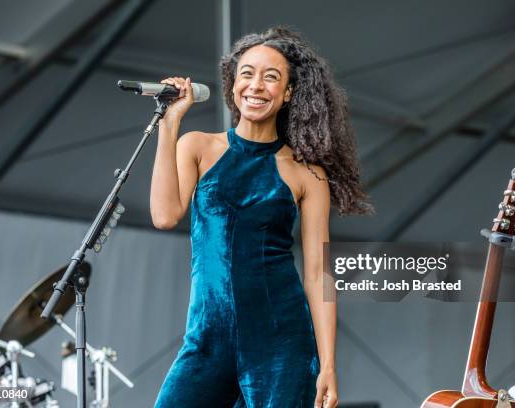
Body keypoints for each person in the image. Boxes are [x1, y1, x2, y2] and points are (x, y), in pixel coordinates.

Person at [151, 27, 370, 408]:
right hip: (207, 339)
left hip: (281, 344)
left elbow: (319, 271)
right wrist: (169, 124)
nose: (256, 85)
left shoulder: (306, 173)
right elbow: (165, 215)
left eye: (271, 77)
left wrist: (329, 365)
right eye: (247, 73)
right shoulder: (198, 146)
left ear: (287, 94)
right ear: (233, 84)